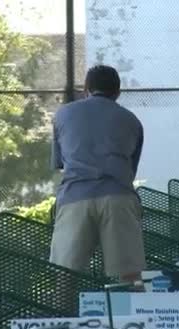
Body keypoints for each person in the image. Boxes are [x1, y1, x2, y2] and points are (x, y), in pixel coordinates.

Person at [50, 65, 145, 286]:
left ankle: (64, 318)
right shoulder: (132, 121)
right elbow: (130, 169)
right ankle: (131, 319)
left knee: (65, 275)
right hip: (119, 197)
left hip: (75, 197)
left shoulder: (63, 114)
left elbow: (59, 163)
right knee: (129, 277)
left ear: (86, 88)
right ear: (118, 92)